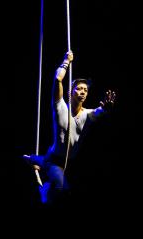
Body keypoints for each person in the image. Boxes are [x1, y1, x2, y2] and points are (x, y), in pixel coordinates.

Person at [25, 50, 116, 205]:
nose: (83, 92)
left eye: (85, 90)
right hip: (55, 161)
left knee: (67, 187)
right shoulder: (60, 107)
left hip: (70, 162)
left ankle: (36, 159)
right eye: (79, 88)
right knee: (61, 190)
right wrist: (66, 62)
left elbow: (100, 112)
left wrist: (107, 108)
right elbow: (58, 79)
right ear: (70, 92)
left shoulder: (87, 114)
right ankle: (44, 187)